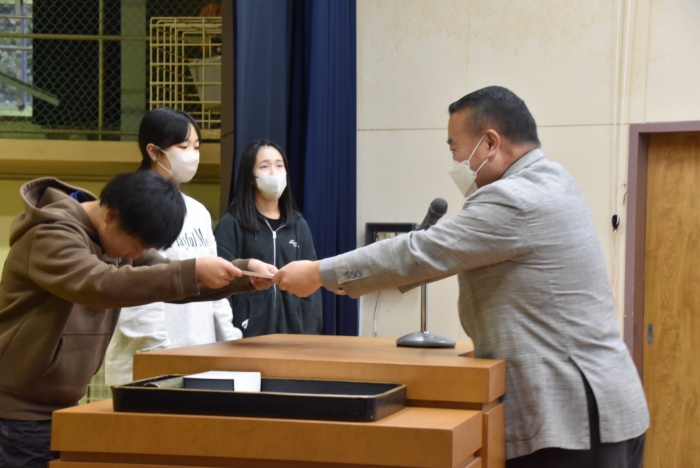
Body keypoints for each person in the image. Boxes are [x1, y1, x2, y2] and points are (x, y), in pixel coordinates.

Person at [273, 86, 649, 467]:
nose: (455, 161)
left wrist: (318, 272)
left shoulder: (514, 197)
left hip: (571, 421)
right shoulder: (554, 180)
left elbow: (420, 252)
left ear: (490, 143)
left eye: (455, 149)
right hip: (608, 408)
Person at [0, 170, 274, 467]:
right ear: (111, 217)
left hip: (60, 406)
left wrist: (242, 275)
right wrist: (193, 270)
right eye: (138, 246)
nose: (138, 254)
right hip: (17, 412)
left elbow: (168, 279)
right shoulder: (50, 235)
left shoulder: (113, 238)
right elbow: (100, 284)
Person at [105, 108, 242, 386]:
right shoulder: (133, 205)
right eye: (183, 146)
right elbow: (136, 288)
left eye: (196, 147)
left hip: (200, 360)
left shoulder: (198, 212)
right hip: (148, 365)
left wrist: (229, 344)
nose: (192, 154)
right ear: (154, 152)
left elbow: (214, 284)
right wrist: (159, 355)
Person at [214, 140, 322, 336]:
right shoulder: (232, 224)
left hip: (293, 339)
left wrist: (309, 336)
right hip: (244, 339)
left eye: (279, 166)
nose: (274, 173)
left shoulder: (299, 226)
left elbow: (312, 289)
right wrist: (228, 335)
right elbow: (219, 286)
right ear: (250, 177)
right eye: (264, 166)